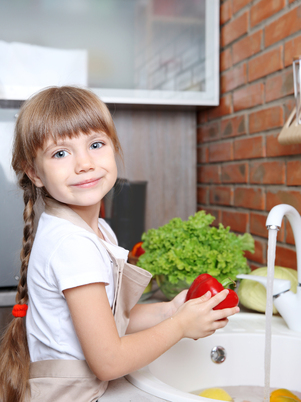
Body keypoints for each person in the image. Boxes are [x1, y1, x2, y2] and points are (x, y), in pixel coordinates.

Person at [0, 86, 239, 402]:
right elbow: (108, 361)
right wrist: (180, 326)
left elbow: (112, 319)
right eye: (60, 153)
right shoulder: (72, 245)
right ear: (36, 173)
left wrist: (169, 311)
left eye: (95, 144)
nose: (84, 163)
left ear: (114, 148)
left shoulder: (97, 231)